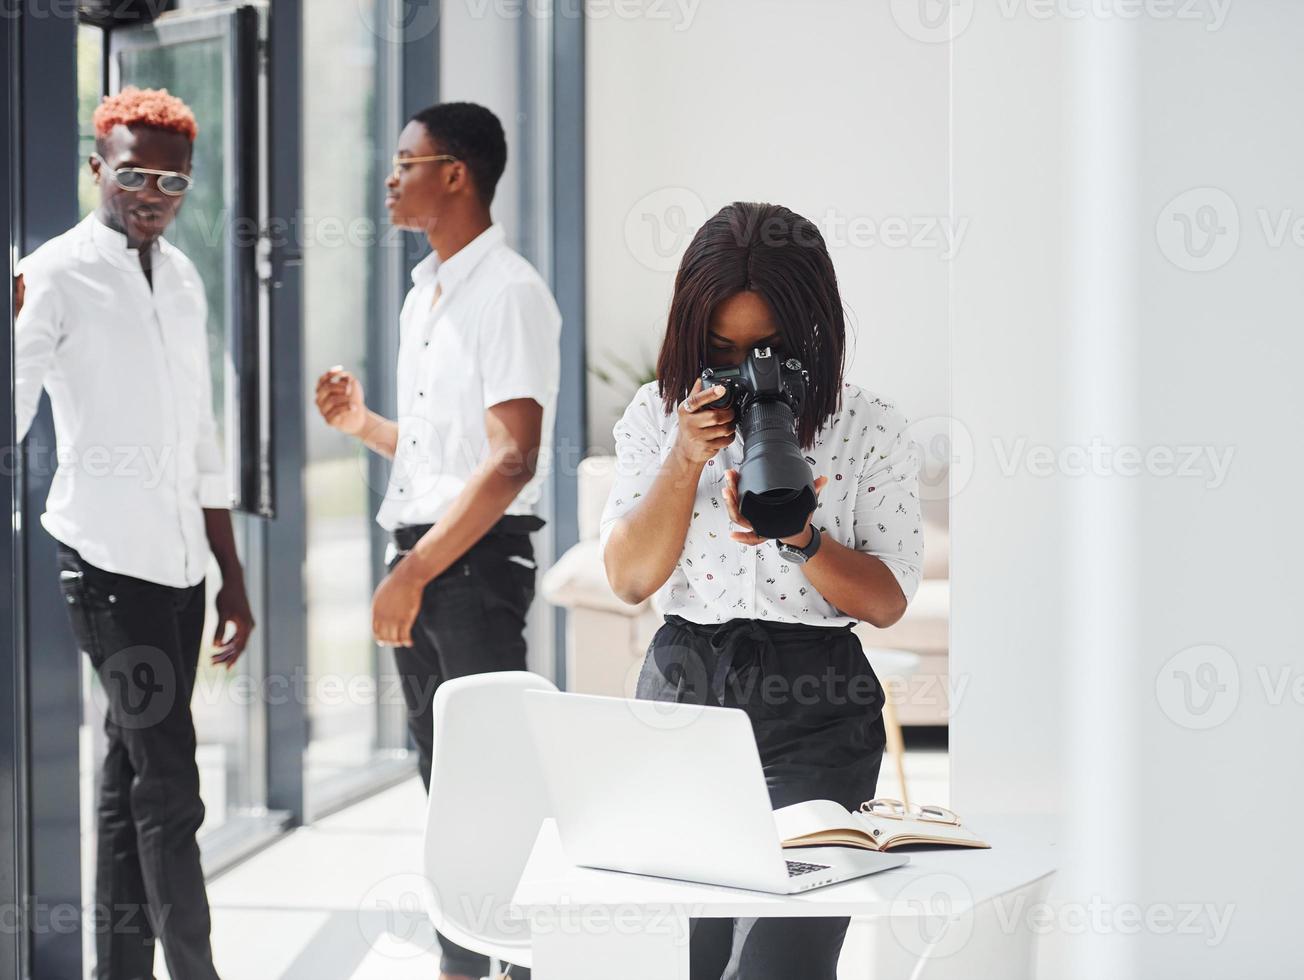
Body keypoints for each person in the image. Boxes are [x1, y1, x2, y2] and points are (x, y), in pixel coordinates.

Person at [600, 201, 924, 980]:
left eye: (770, 350)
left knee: (782, 962)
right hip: (684, 699)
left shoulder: (868, 424)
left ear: (812, 332)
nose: (749, 373)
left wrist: (803, 536)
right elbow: (630, 578)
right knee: (691, 962)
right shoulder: (656, 415)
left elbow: (886, 600)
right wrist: (683, 459)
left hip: (818, 713)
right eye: (723, 351)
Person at [314, 101, 560, 980]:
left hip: (471, 568)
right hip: (427, 555)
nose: (391, 177)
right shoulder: (430, 291)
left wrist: (413, 572)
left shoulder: (511, 292)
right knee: (443, 777)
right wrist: (366, 425)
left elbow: (510, 461)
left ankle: (511, 961)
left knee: (490, 780)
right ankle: (470, 952)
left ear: (454, 173)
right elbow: (446, 457)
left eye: (405, 161)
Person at [13, 86, 253, 980]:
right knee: (170, 780)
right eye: (133, 173)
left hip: (182, 566)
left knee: (129, 773)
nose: (152, 193)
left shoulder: (183, 279)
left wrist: (230, 571)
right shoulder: (54, 273)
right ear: (96, 169)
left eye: (173, 180)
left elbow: (202, 435)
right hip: (106, 564)